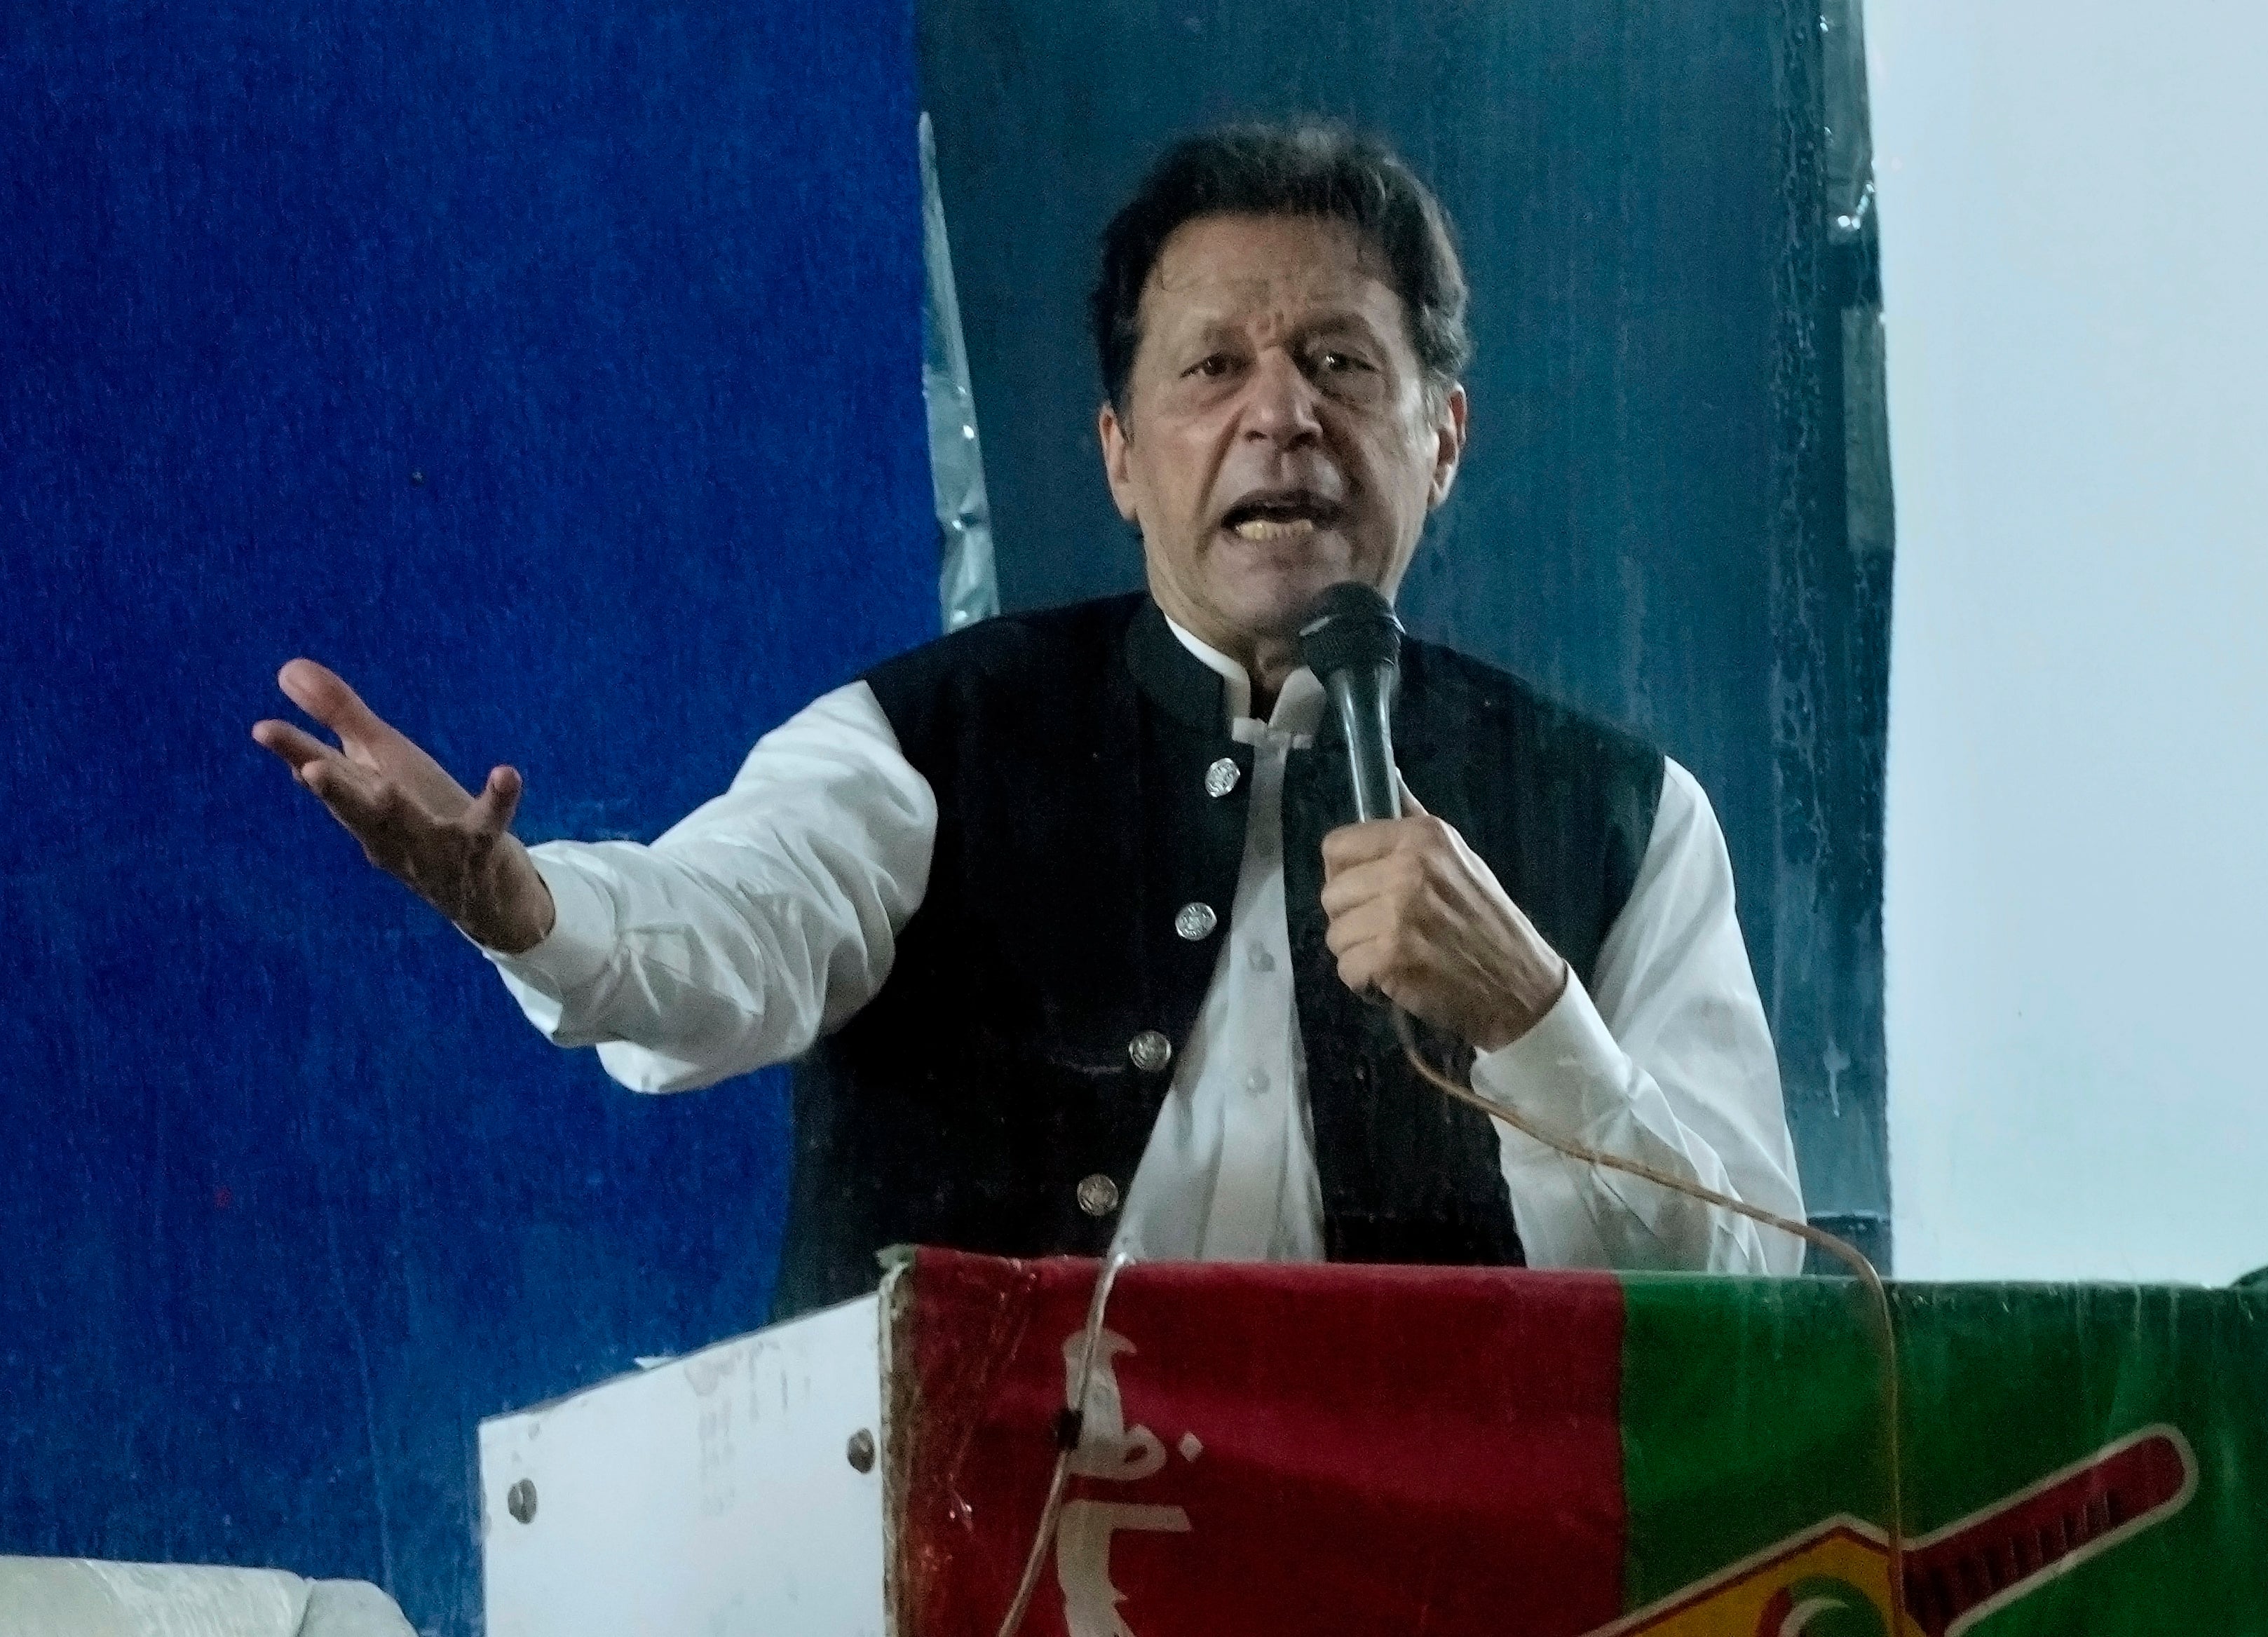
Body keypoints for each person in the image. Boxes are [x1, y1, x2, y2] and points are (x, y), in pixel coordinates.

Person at [252, 123, 1804, 1313]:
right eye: (1213, 367)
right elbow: (730, 933)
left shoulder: (1618, 815)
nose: (1282, 414)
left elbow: (1744, 1299)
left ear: (1441, 437)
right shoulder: (934, 738)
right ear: (1121, 455)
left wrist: (1534, 1018)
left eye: (1339, 361)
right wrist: (533, 907)